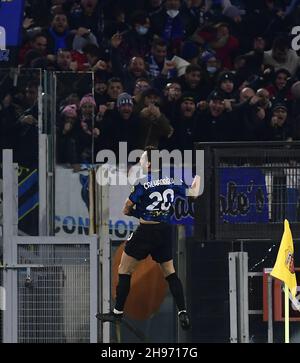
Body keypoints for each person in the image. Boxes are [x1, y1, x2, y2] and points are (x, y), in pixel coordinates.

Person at [97, 146, 201, 330]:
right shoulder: (172, 180)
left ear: (150, 163)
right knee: (170, 272)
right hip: (164, 231)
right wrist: (198, 178)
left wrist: (138, 212)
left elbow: (126, 208)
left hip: (145, 232)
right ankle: (182, 311)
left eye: (143, 159)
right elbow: (193, 194)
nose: (141, 162)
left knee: (124, 269)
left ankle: (117, 313)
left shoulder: (142, 182)